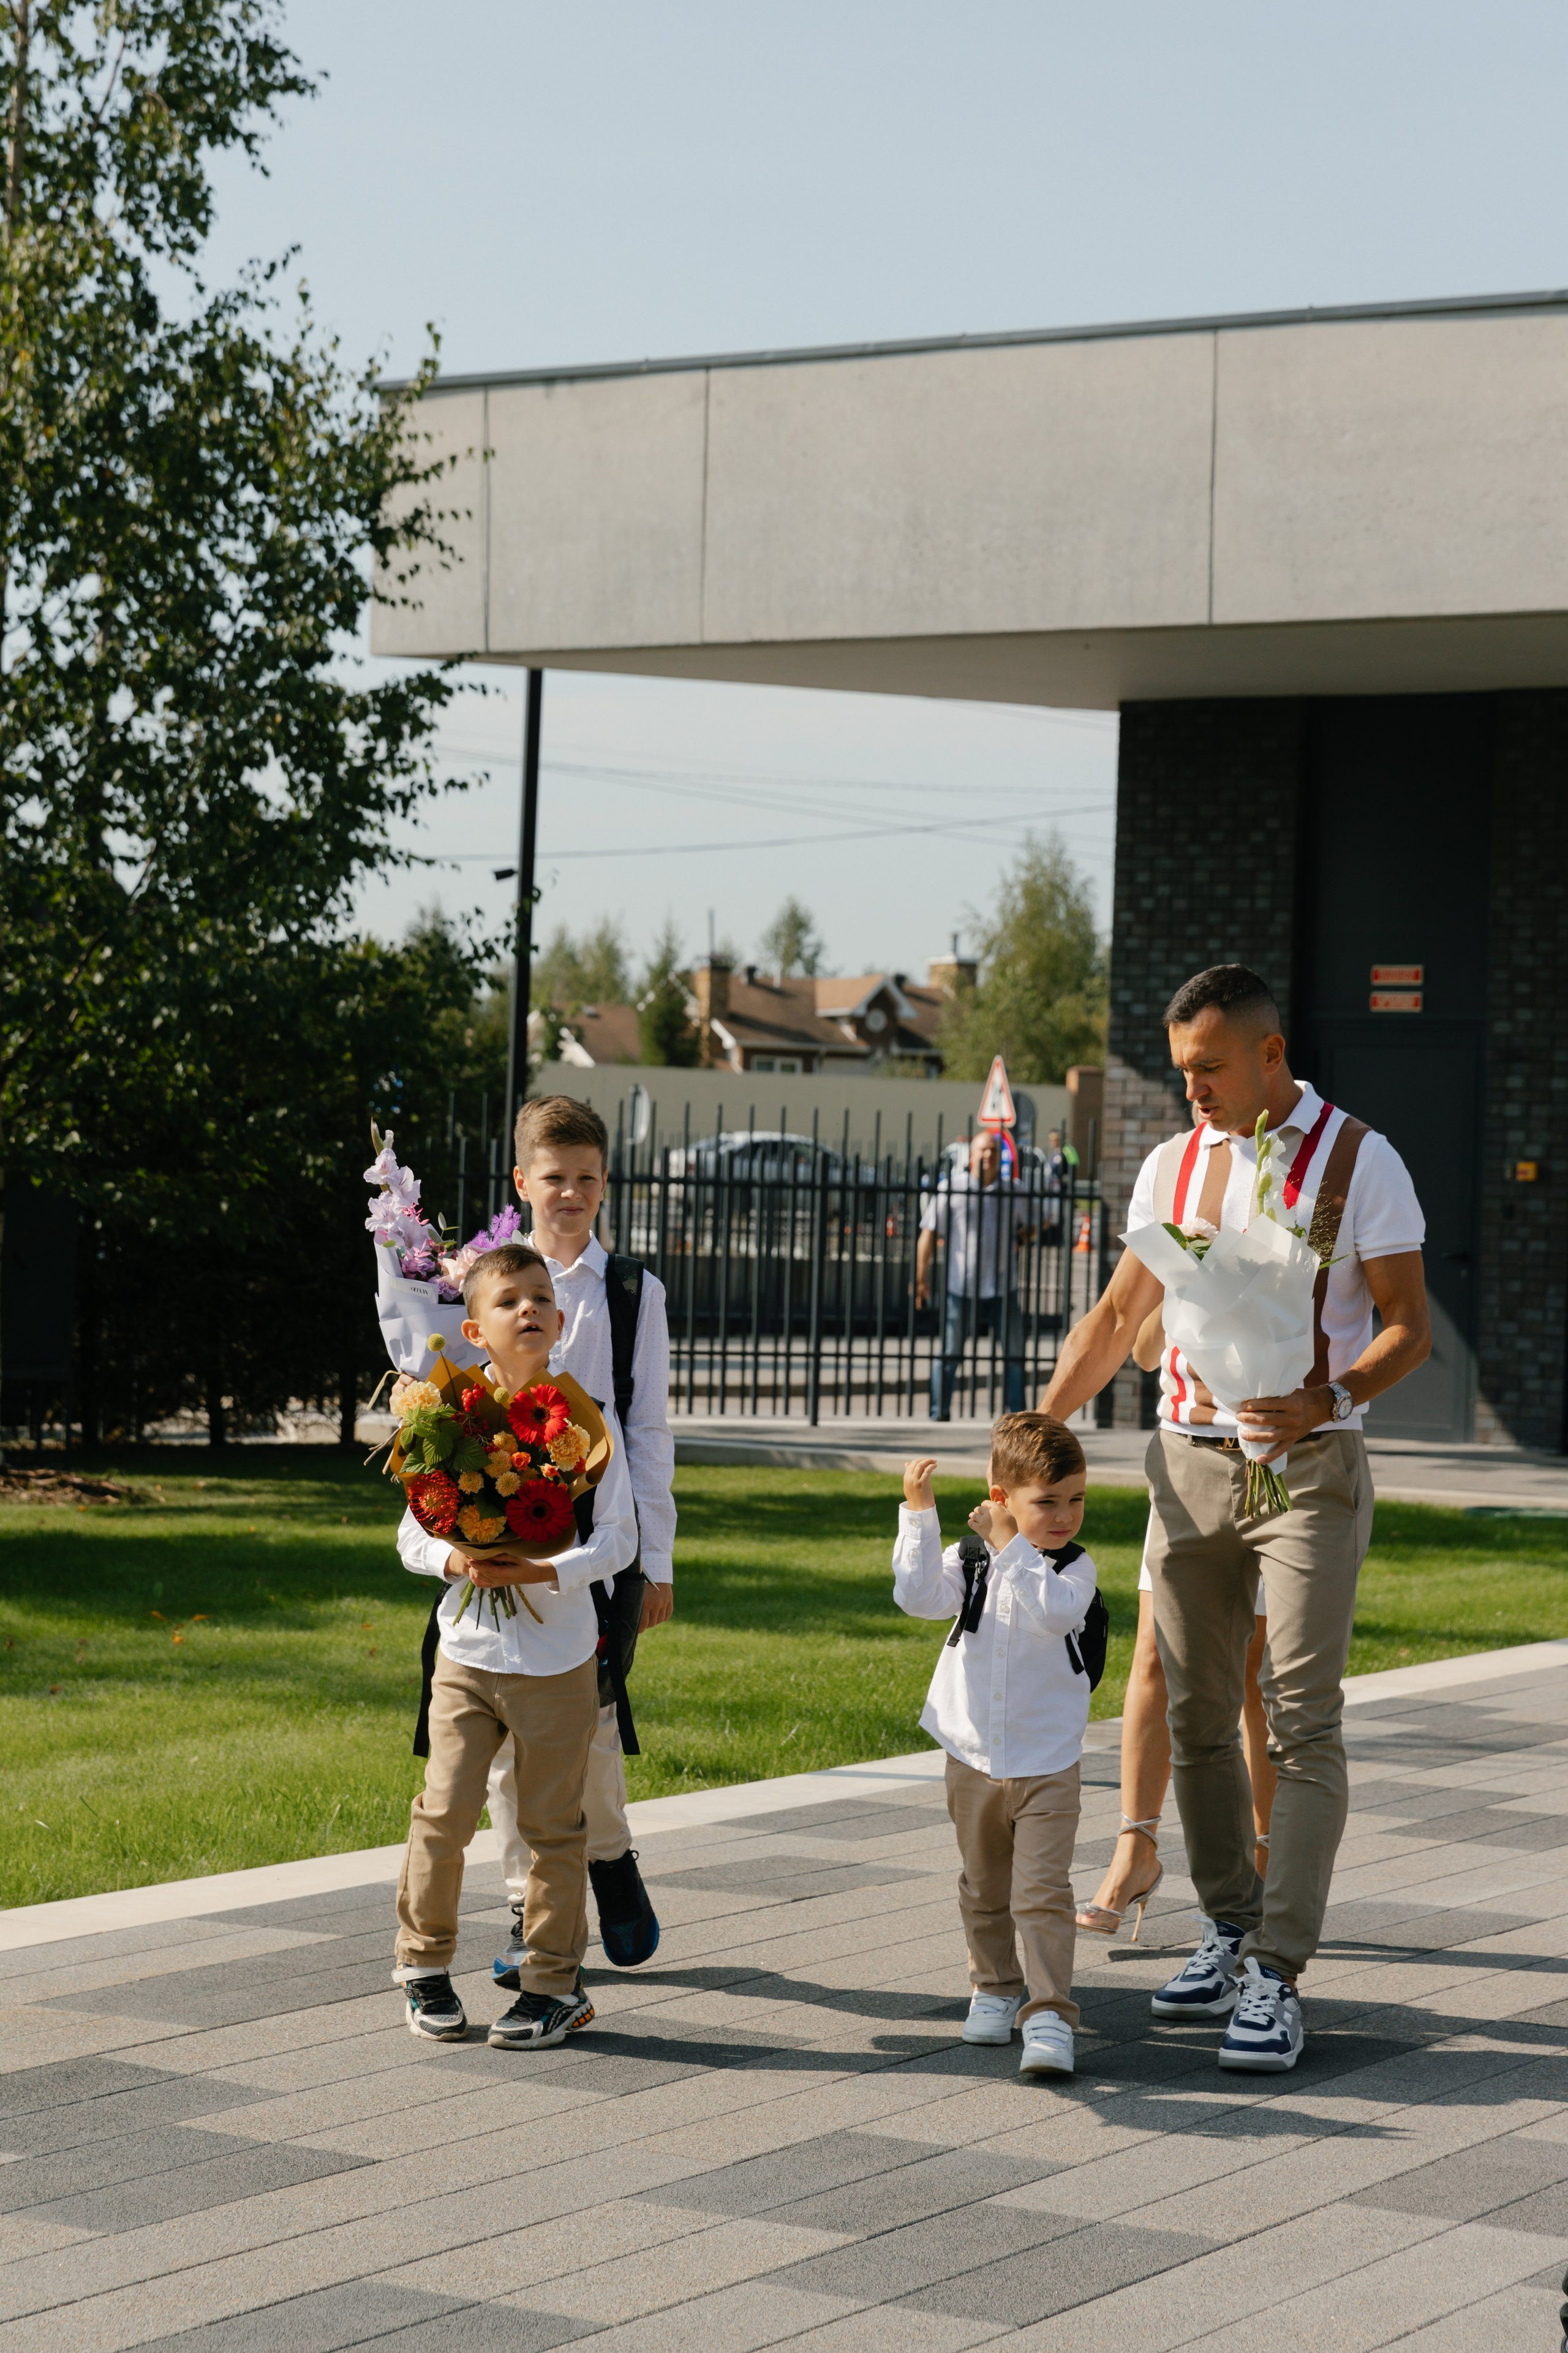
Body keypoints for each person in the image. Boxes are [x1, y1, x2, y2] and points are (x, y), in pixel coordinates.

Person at [1041, 964, 1430, 2072]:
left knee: (1301, 1717)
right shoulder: (1173, 1162)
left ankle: (1278, 1972)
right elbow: (1122, 1313)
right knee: (1200, 1712)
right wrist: (1034, 1433)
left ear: (1271, 1055)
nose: (1192, 1091)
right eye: (1181, 1072)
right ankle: (1226, 1923)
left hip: (1312, 1465)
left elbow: (1408, 1327)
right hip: (1190, 1462)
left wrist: (1331, 1394)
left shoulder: (1362, 1160)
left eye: (1209, 1068)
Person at [393, 1240, 638, 2049]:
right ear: (474, 1330)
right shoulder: (448, 1417)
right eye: (508, 1301)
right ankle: (423, 1965)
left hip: (557, 1659)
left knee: (550, 1826)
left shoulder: (587, 1424)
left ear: (560, 1322)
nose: (527, 1307)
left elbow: (617, 1543)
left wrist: (546, 1571)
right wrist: (457, 1556)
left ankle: (552, 1984)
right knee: (444, 1811)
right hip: (467, 1655)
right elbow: (411, 1533)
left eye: (540, 1297)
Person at [486, 1095, 676, 1984]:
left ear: (606, 1185)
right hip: (496, 1536)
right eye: (553, 1178)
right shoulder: (479, 1283)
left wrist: (657, 1560)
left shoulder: (634, 1294)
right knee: (500, 1737)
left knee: (589, 1728)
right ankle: (530, 1908)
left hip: (601, 1545)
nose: (570, 1194)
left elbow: (649, 1434)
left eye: (587, 1179)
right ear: (522, 1182)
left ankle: (611, 1857)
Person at [894, 1413, 1100, 2078]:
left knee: (1040, 1890)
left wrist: (1012, 1541)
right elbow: (918, 1597)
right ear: (1000, 1492)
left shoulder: (1074, 1569)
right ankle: (993, 1984)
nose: (1064, 1515)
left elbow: (1051, 1612)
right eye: (1047, 1501)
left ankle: (1047, 2012)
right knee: (983, 1885)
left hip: (1047, 1762)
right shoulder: (972, 1559)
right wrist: (920, 1516)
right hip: (971, 1754)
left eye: (1075, 1500)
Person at [1076, 1310, 1276, 1941]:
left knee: (1247, 1670)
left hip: (1277, 1455)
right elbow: (1141, 1349)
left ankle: (1259, 1869)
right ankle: (1134, 1851)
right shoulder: (1176, 1209)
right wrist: (1184, 1264)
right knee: (1155, 1656)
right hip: (1186, 1459)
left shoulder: (1303, 1207)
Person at [917, 1131, 1032, 1420]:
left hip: (1003, 1286)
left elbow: (1036, 1220)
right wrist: (921, 1278)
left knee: (1015, 1355)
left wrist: (1017, 1241)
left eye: (993, 1150)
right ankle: (938, 1413)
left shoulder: (1013, 1190)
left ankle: (1018, 1418)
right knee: (950, 1353)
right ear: (971, 1157)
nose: (988, 1156)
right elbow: (928, 1233)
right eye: (982, 1151)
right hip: (962, 1285)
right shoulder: (952, 1188)